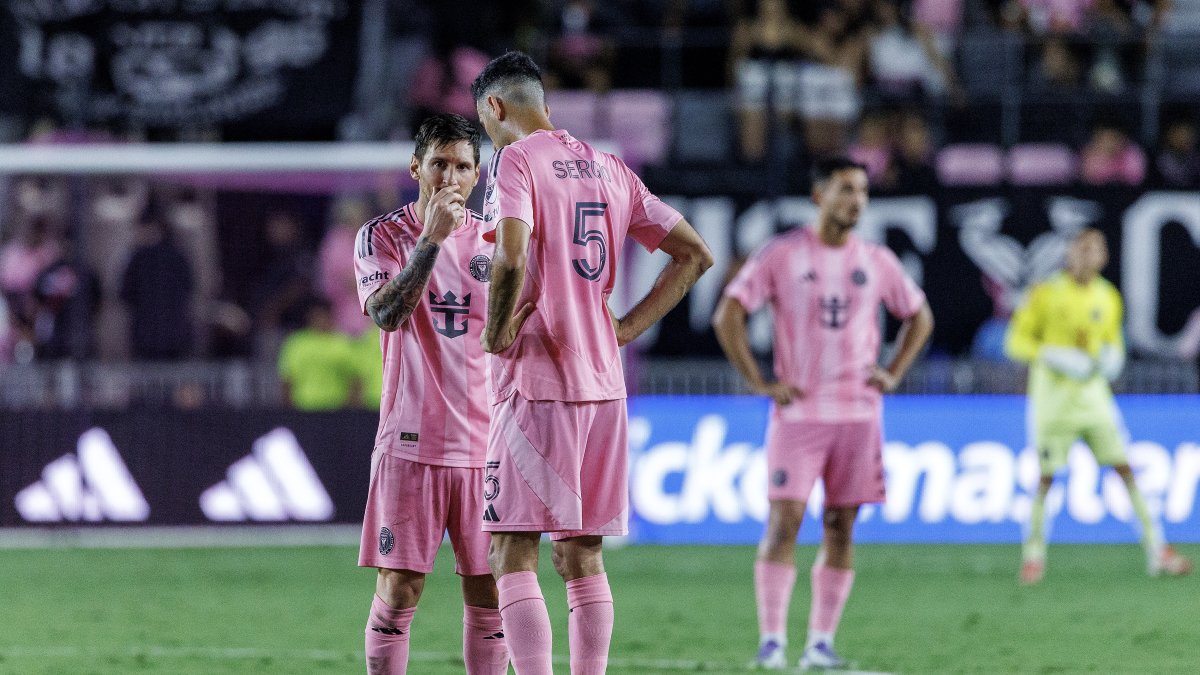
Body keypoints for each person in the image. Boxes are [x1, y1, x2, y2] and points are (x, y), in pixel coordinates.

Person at [472, 51, 713, 674]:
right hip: (604, 387)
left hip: (539, 383)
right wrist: (626, 328)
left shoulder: (516, 160)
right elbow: (694, 254)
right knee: (582, 556)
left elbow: (513, 253)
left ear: (495, 108)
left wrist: (497, 330)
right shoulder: (611, 168)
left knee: (511, 550)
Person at [712, 158, 934, 670]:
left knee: (840, 527)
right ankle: (771, 643)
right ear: (818, 196)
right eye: (844, 190)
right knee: (784, 520)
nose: (855, 200)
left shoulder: (876, 260)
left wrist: (893, 371)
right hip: (800, 414)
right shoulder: (783, 254)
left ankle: (819, 644)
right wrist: (759, 382)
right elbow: (729, 312)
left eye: (861, 191)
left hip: (859, 415)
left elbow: (919, 315)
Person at [353, 113, 510, 675]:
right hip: (410, 443)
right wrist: (431, 239)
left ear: (477, 176)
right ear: (415, 166)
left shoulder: (498, 240)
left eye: (462, 166)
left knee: (489, 593)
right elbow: (389, 314)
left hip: (487, 447)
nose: (450, 176)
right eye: (439, 163)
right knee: (399, 590)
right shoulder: (379, 236)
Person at [1004, 228, 1193, 585]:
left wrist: (1114, 358)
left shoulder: (1107, 297)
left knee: (1125, 469)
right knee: (1046, 478)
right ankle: (1033, 556)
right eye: (1081, 249)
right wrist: (1050, 354)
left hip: (1093, 398)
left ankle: (1158, 550)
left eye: (1095, 250)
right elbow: (1015, 341)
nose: (1087, 256)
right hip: (1053, 401)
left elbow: (1112, 342)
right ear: (1070, 253)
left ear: (1103, 257)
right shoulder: (1044, 293)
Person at [276, 297, 358, 411]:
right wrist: (289, 410)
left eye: (324, 316)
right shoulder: (297, 343)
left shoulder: (343, 343)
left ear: (330, 316)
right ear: (310, 318)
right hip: (303, 409)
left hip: (336, 409)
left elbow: (354, 380)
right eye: (317, 316)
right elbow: (287, 380)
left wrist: (349, 410)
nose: (320, 320)